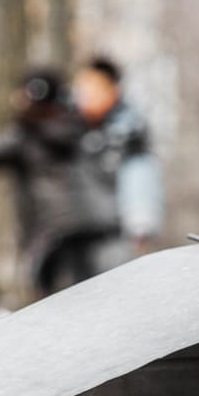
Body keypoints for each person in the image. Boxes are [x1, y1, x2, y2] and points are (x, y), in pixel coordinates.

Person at [0, 68, 113, 298]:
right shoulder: (77, 126)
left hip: (51, 231)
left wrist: (18, 125)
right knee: (91, 292)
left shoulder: (25, 135)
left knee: (51, 300)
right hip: (91, 223)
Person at [71, 57, 163, 255]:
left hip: (115, 236)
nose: (84, 97)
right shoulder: (72, 126)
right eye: (81, 90)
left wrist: (140, 222)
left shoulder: (129, 130)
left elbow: (140, 175)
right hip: (77, 234)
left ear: (113, 90)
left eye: (93, 90)